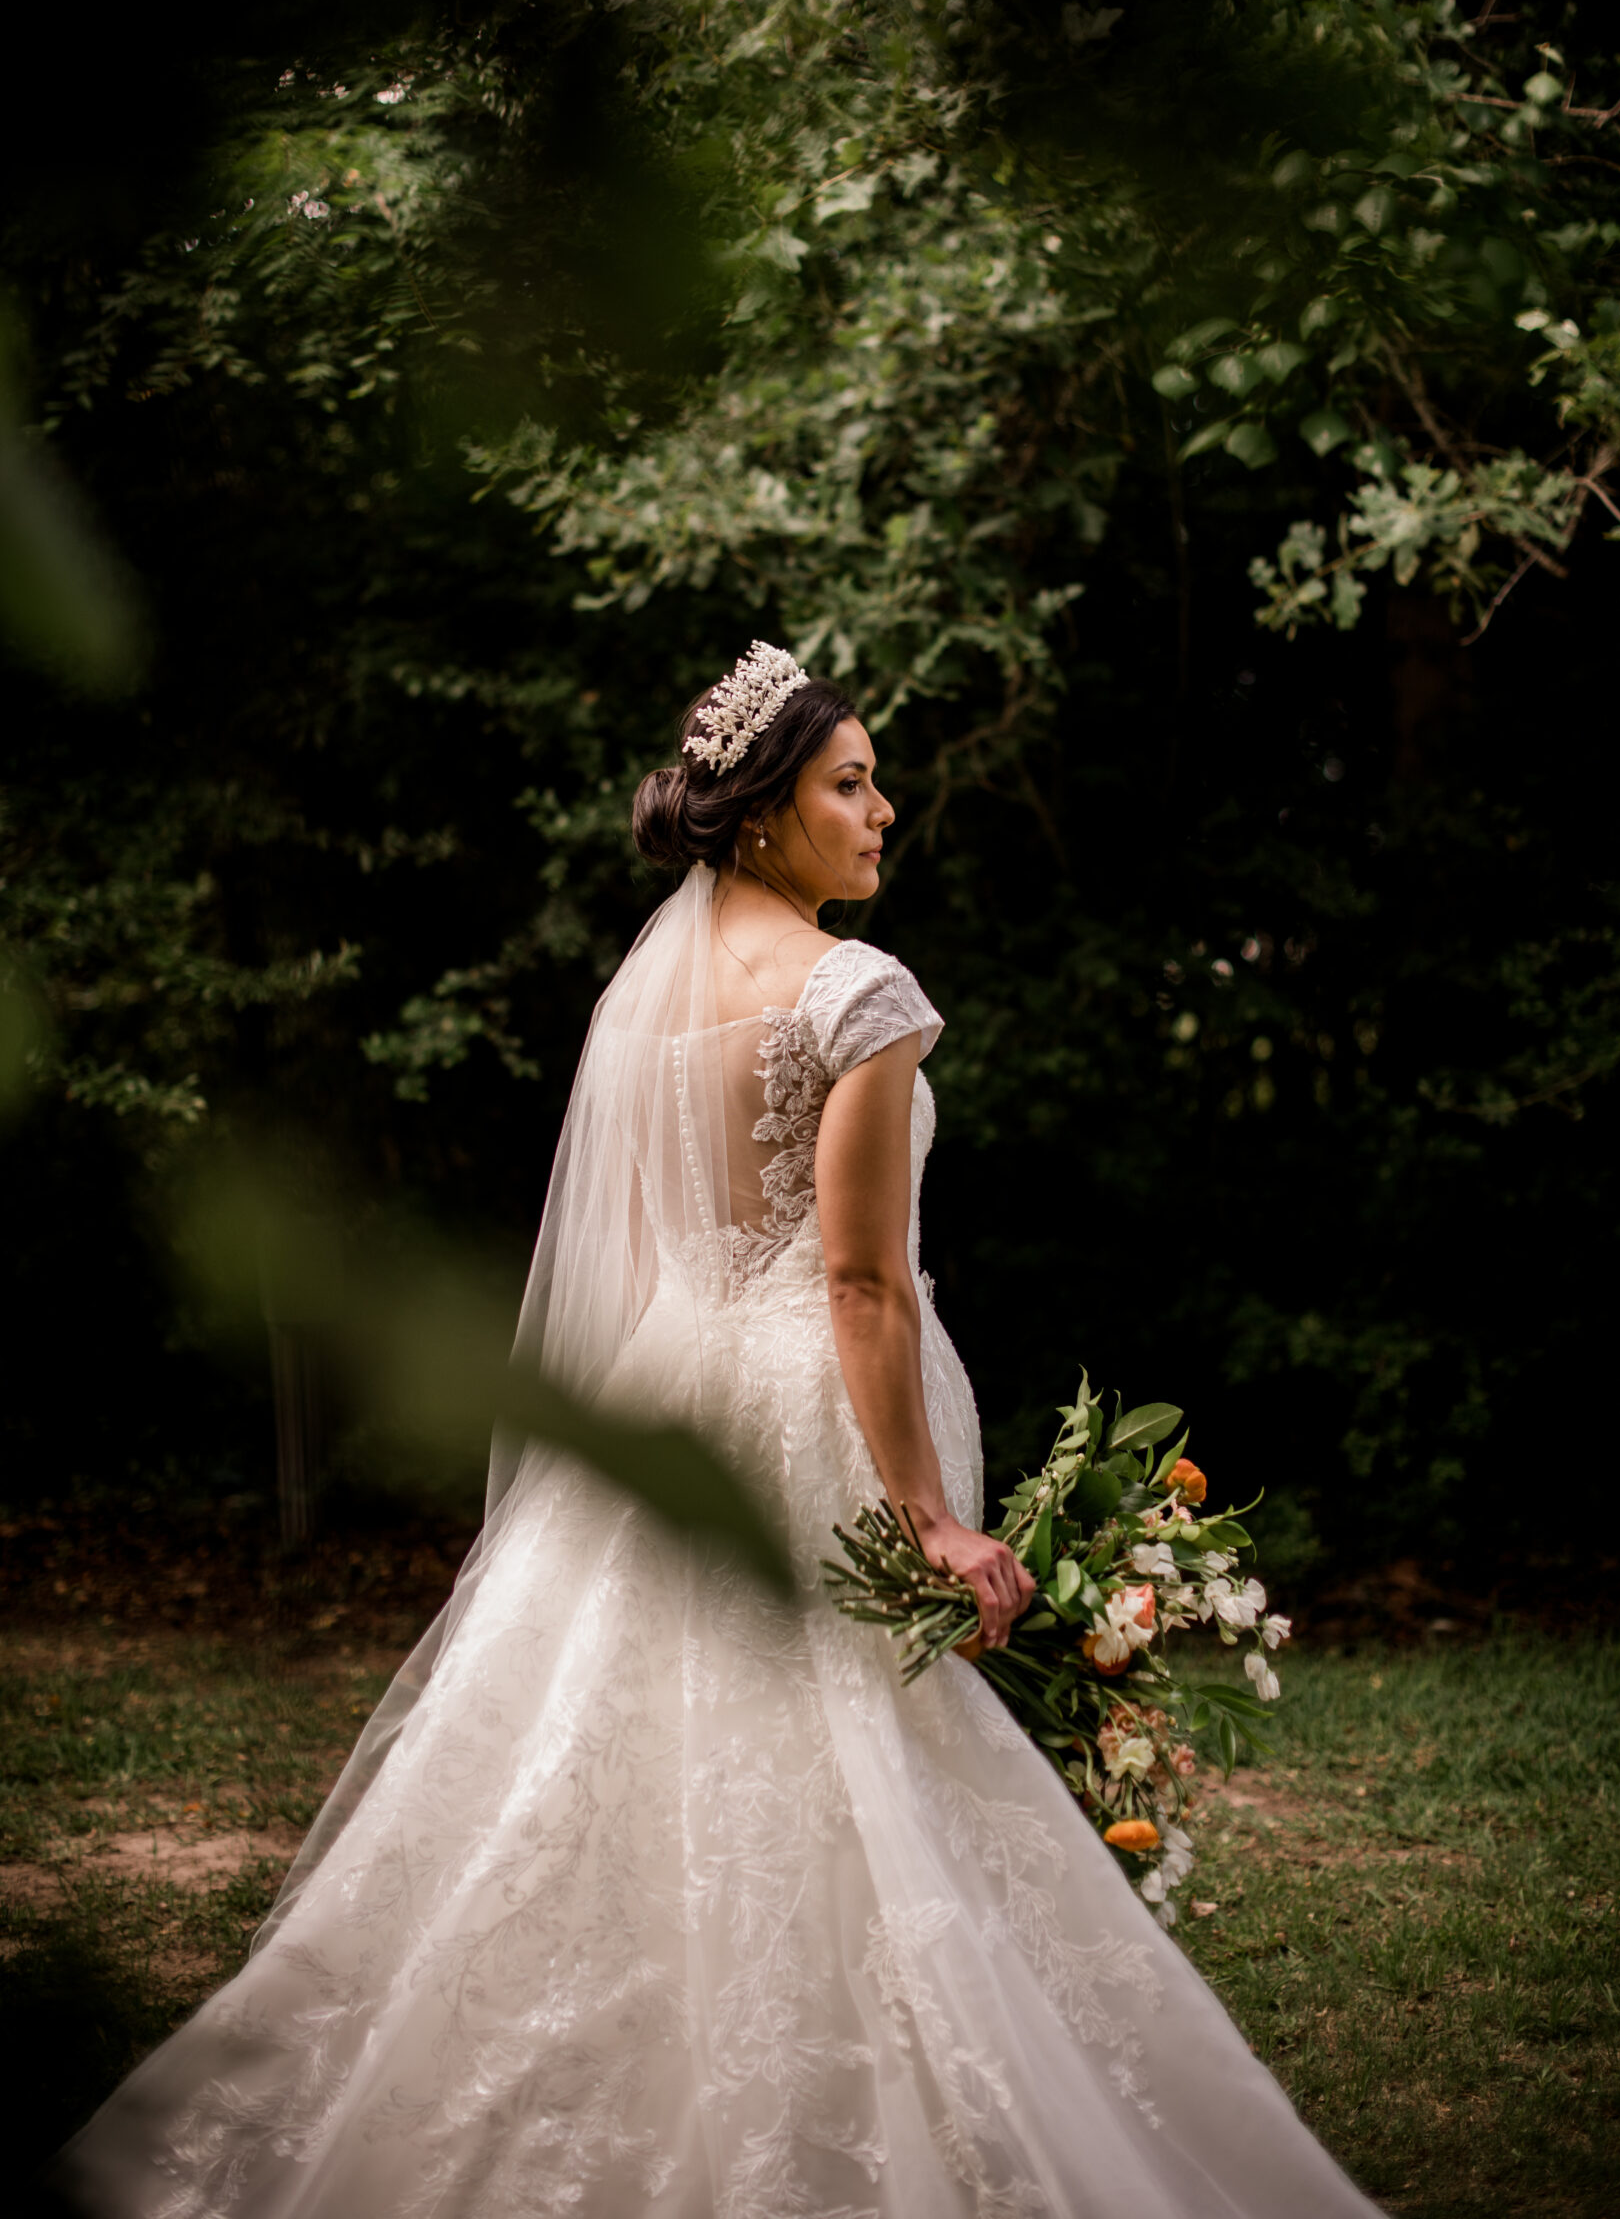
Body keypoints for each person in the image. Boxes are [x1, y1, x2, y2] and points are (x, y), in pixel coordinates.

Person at [56, 643, 1383, 2216]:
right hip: (812, 1415)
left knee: (592, 1765)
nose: (885, 811)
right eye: (851, 783)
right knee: (847, 1771)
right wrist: (932, 1518)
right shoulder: (858, 996)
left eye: (876, 781)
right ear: (761, 816)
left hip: (668, 1402)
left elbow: (667, 1245)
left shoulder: (654, 991)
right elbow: (861, 1283)